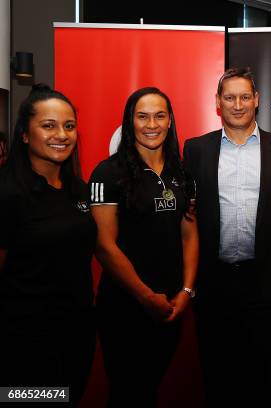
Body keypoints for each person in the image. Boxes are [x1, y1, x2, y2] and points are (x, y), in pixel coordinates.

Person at [183, 67, 271, 408]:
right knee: (219, 376)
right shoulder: (196, 150)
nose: (237, 104)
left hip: (266, 283)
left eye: (245, 97)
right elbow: (187, 216)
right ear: (217, 103)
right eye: (229, 97)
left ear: (257, 100)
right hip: (214, 284)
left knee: (266, 378)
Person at [89, 87, 198, 407]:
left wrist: (186, 291)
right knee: (127, 392)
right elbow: (103, 245)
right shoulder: (108, 173)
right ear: (130, 122)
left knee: (150, 388)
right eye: (142, 116)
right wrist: (146, 297)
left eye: (159, 116)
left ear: (170, 122)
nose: (151, 124)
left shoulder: (183, 175)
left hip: (171, 306)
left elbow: (190, 236)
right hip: (125, 306)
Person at [0, 84, 96, 406]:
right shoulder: (7, 193)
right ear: (25, 134)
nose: (62, 134)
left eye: (69, 126)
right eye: (48, 125)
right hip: (26, 344)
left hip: (77, 336)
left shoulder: (78, 190)